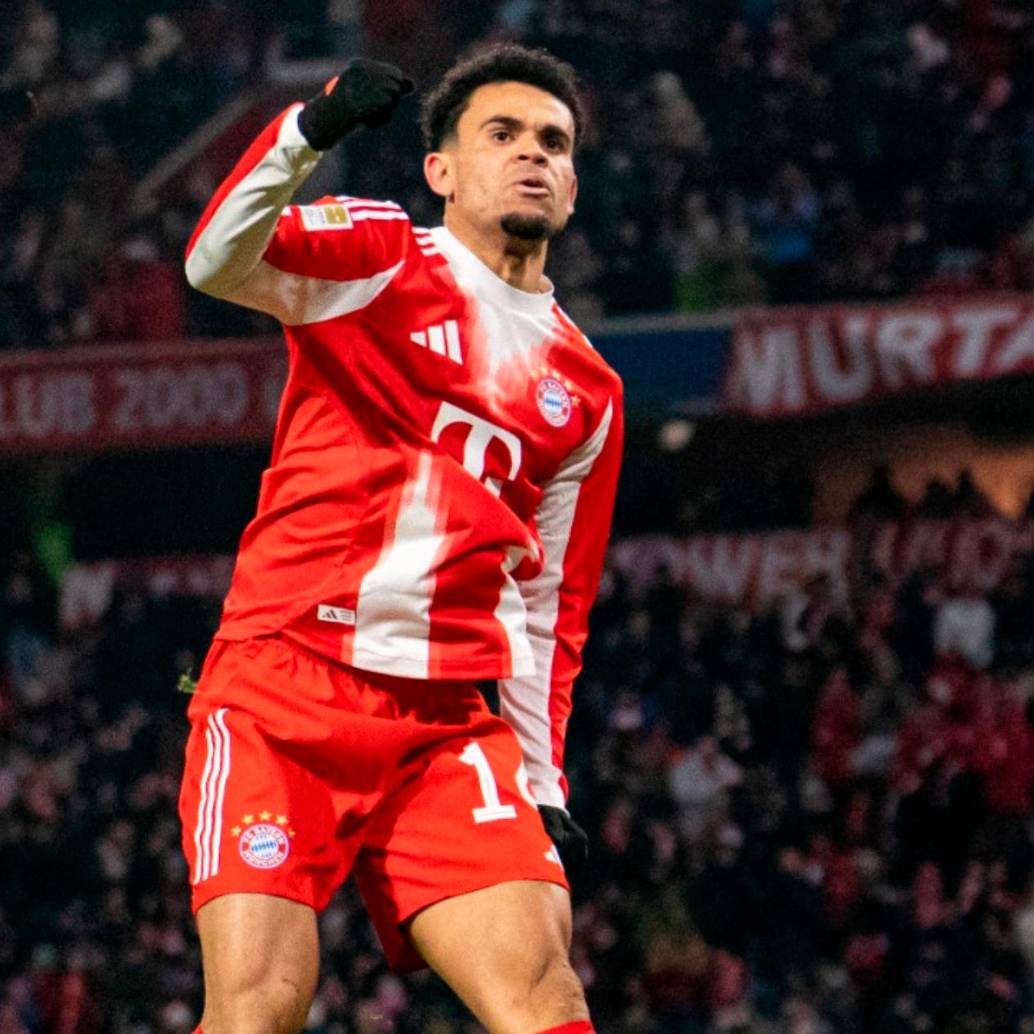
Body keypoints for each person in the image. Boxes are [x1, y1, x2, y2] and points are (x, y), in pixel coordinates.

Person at [179, 44, 624, 1034]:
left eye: (553, 142)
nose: (532, 156)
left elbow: (549, 603)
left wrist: (542, 782)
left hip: (440, 728)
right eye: (500, 134)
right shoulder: (378, 258)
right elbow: (214, 260)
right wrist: (310, 130)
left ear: (574, 182)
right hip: (281, 691)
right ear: (441, 171)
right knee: (259, 1005)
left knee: (547, 998)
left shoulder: (587, 392)